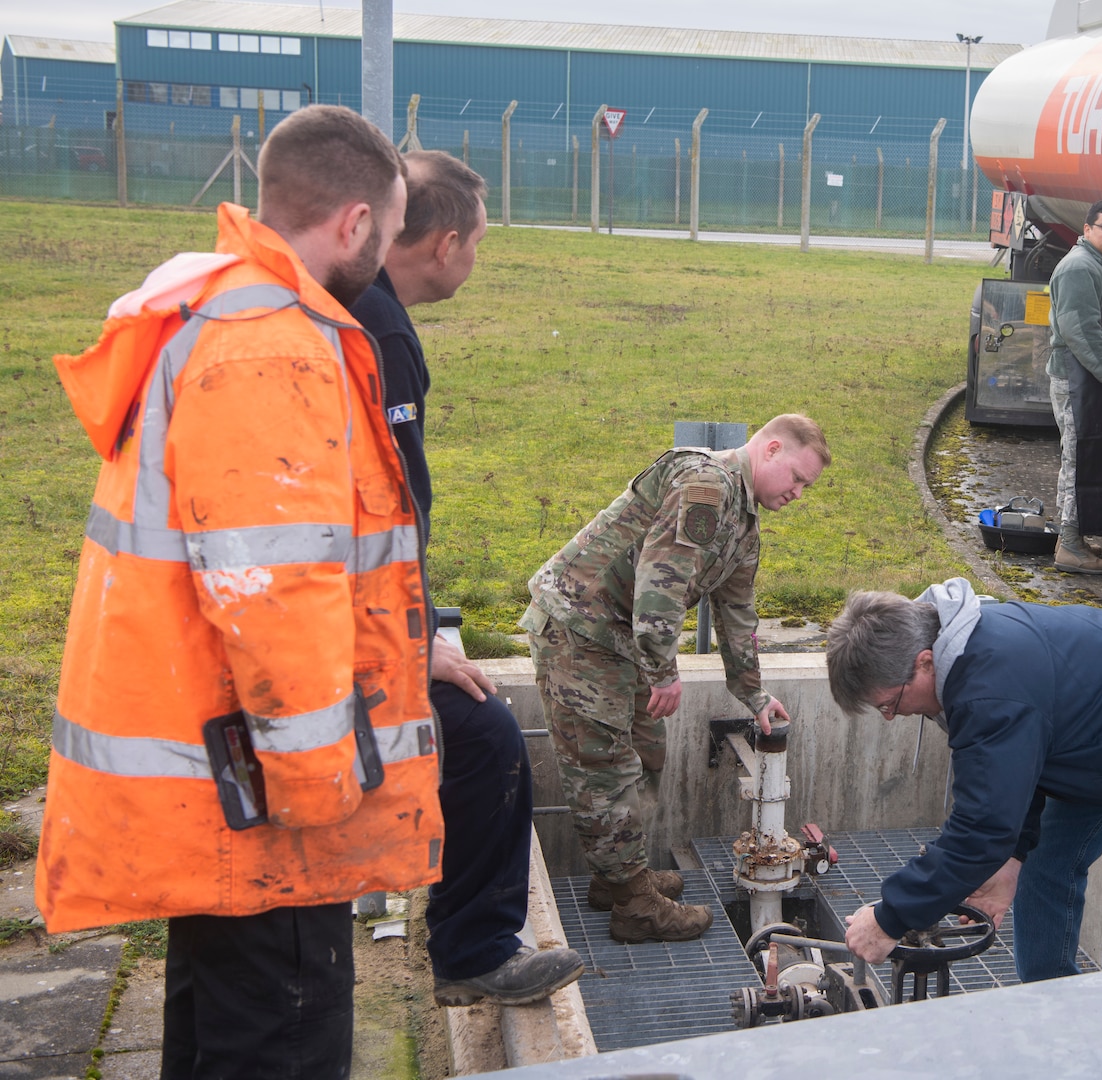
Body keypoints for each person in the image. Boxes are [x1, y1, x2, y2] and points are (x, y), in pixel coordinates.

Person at [38, 105, 443, 1078]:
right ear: (353, 223)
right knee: (279, 1035)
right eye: (386, 235)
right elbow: (276, 592)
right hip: (267, 800)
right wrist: (322, 798)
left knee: (216, 1022)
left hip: (213, 762)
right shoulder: (273, 343)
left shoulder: (218, 310)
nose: (385, 259)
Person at [351, 150, 584, 1009]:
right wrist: (416, 648)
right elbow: (383, 512)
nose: (477, 262)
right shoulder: (378, 329)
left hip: (362, 608)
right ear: (444, 244)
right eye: (479, 244)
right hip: (347, 628)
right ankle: (475, 949)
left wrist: (427, 619)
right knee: (485, 738)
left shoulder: (362, 308)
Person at [827, 579, 1102, 982]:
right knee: (1044, 869)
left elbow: (981, 829)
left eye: (889, 704)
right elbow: (1018, 765)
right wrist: (1013, 856)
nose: (891, 717)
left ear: (924, 662)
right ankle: (1054, 1016)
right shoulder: (959, 660)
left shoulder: (987, 686)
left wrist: (890, 916)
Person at [521, 416, 830, 943]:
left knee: (644, 755)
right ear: (772, 449)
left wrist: (754, 695)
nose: (799, 494)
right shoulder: (706, 486)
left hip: (621, 639)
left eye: (807, 487)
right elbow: (660, 583)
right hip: (581, 627)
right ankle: (635, 907)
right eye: (797, 478)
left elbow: (738, 614)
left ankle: (617, 877)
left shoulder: (743, 522)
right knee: (605, 772)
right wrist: (663, 672)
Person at [1044, 199, 1102, 577]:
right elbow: (1080, 331)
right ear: (1087, 230)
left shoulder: (1100, 265)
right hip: (1075, 380)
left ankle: (1074, 536)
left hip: (1086, 378)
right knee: (1077, 461)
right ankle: (1068, 546)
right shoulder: (1079, 268)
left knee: (1082, 457)